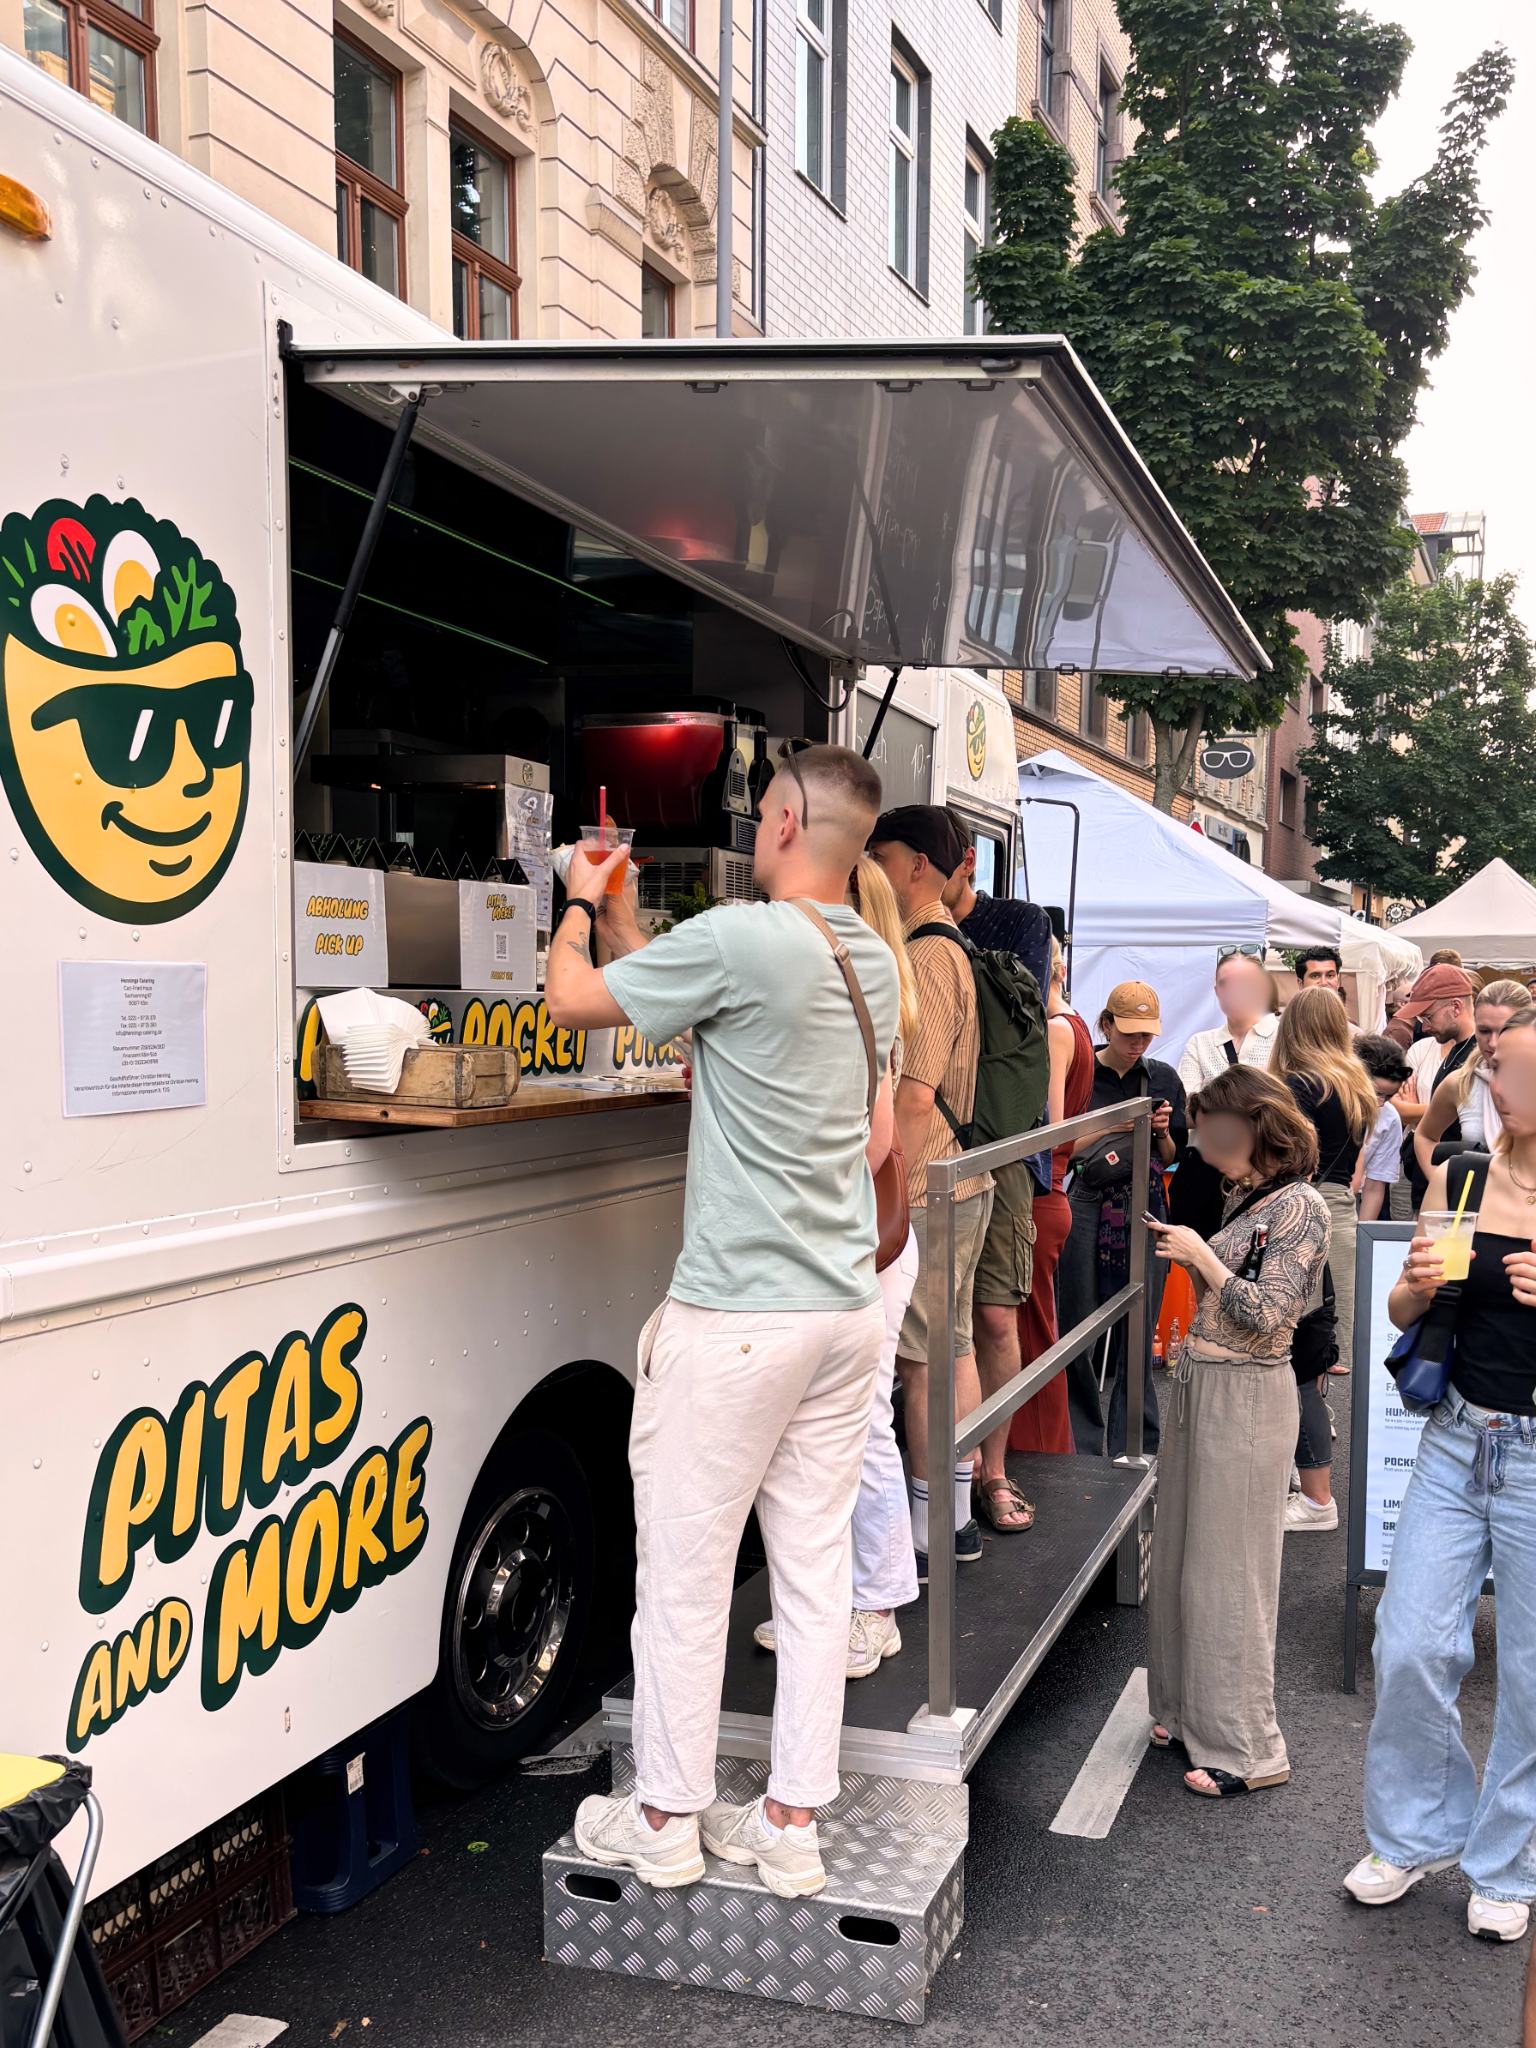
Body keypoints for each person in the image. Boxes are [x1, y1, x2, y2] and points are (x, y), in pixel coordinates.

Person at [546, 743, 898, 1898]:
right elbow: (684, 1000)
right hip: (842, 1311)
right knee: (809, 1576)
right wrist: (629, 909)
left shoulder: (748, 936)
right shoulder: (870, 958)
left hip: (740, 1315)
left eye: (762, 812)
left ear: (788, 819)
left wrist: (575, 906)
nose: (753, 825)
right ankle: (788, 1821)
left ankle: (662, 1816)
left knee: (687, 1581)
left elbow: (579, 1005)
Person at [1346, 1004, 1536, 1942]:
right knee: (1411, 1643)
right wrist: (1417, 1285)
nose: (1503, 1089)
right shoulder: (1463, 1175)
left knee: (1533, 1679)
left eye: (1521, 1075)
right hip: (1457, 1441)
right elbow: (1399, 1306)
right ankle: (1415, 1833)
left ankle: (1507, 1864)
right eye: (1502, 1070)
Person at [755, 854, 921, 1678]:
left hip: (862, 1243)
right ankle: (839, 1605)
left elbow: (875, 1142)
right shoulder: (868, 986)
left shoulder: (860, 992)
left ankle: (877, 1605)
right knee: (830, 1431)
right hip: (853, 1243)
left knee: (856, 1428)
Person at [1145, 1068, 1330, 1795]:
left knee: (1232, 1573)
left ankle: (1248, 1749)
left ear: (1255, 1124)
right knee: (1187, 1556)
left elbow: (1268, 1311)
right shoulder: (1244, 1193)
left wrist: (1201, 1257)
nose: (1199, 1140)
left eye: (1211, 1126)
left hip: (1247, 1394)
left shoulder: (1302, 1206)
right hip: (1203, 1385)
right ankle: (1190, 1714)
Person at [867, 805, 997, 1572]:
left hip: (930, 1184)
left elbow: (915, 1094)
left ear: (917, 864)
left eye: (879, 854)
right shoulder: (944, 947)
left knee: (921, 1362)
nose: (868, 869)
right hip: (959, 1178)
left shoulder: (925, 954)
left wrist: (891, 1187)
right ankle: (949, 1515)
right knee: (946, 1349)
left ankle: (934, 1527)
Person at [941, 810, 1054, 1524]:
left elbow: (1005, 1016)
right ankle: (939, 1477)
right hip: (927, 1146)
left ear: (961, 867)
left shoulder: (1018, 922)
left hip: (1002, 1146)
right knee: (930, 1329)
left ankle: (995, 1471)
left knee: (993, 1315)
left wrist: (930, 939)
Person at [1056, 982, 1185, 1459]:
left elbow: (1172, 1157)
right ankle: (1080, 1442)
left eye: (1147, 1035)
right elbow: (1061, 1148)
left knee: (1139, 1325)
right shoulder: (1080, 1068)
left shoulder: (1164, 1078)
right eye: (1129, 1032)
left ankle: (1136, 1443)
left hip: (1146, 1201)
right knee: (1079, 1325)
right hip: (1088, 1199)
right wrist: (1115, 1123)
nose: (1138, 1044)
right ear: (1106, 1024)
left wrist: (1161, 1131)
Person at [1009, 937, 1091, 1454]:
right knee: (1032, 1330)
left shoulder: (1057, 1029)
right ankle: (1038, 1447)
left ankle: (1043, 1450)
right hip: (1051, 1191)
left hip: (1042, 1193)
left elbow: (1052, 1130)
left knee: (1031, 1335)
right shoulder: (1075, 1025)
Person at [1271, 988, 1376, 1377]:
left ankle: (1307, 1425)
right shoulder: (1355, 1085)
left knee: (1292, 1329)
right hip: (1341, 1205)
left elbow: (1288, 1156)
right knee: (1328, 1335)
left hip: (1297, 1207)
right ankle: (1320, 1417)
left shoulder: (1297, 1085)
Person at [1175, 951, 1282, 1238]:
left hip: (1264, 1168)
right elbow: (1187, 1108)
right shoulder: (1201, 1042)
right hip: (1204, 1167)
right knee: (1195, 1255)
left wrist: (1212, 1101)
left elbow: (1285, 1109)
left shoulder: (1283, 1037)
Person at [1412, 979, 1527, 1183]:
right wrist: (1444, 1186)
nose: (1493, 1042)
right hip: (1478, 1208)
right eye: (1483, 1031)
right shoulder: (1462, 1081)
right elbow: (1424, 1136)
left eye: (1504, 1030)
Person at [1389, 964, 1480, 1206]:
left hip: (1457, 1199)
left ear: (1456, 1007)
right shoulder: (1455, 1051)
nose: (1424, 1026)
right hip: (1439, 1195)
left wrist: (1446, 1191)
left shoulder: (1474, 1058)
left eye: (1428, 1016)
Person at [1356, 1035, 1413, 1223]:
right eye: (1376, 1094)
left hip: (1354, 1203)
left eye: (1389, 1096)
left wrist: (1361, 1232)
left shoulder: (1389, 1118)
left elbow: (1375, 1184)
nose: (1381, 1103)